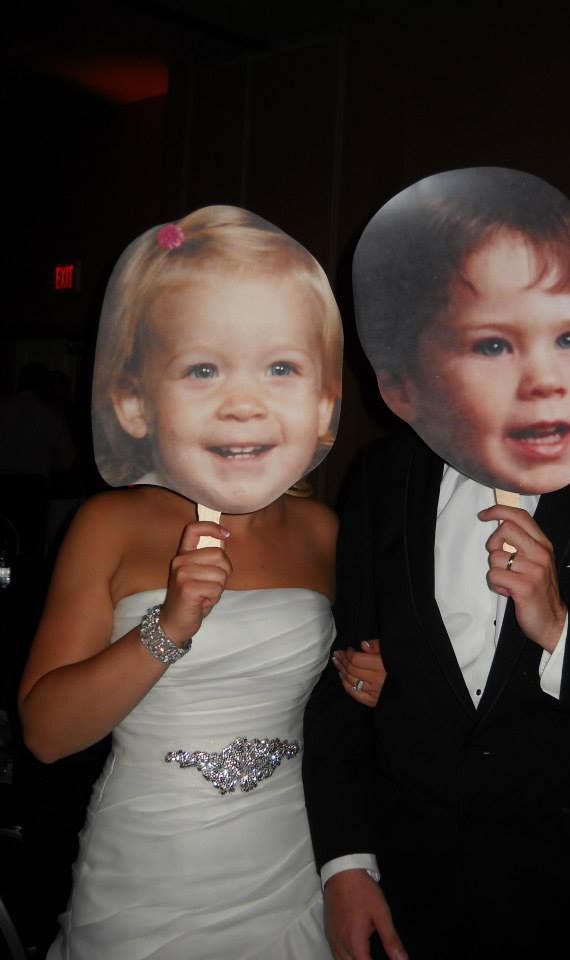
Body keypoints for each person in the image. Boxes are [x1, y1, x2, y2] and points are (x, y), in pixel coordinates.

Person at [302, 168, 570, 959]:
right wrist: (347, 864)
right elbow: (345, 682)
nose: (545, 379)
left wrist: (562, 631)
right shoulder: (382, 481)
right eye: (492, 343)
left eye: (568, 335)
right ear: (403, 379)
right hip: (411, 887)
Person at [18, 206, 382, 960]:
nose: (241, 401)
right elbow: (46, 735)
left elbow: (340, 714)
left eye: (279, 367)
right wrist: (169, 628)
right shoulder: (110, 526)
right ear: (136, 401)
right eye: (203, 368)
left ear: (321, 406)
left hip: (290, 867)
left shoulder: (324, 534)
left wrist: (372, 682)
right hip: (149, 875)